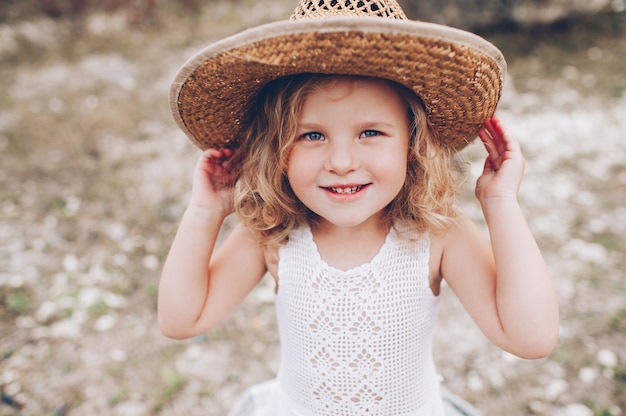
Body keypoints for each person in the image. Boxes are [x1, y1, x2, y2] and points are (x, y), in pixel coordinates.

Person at [158, 1, 560, 415]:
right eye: (312, 135)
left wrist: (500, 203)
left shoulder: (436, 232)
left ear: (413, 144)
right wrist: (204, 213)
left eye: (370, 132)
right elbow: (181, 320)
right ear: (276, 150)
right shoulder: (276, 230)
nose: (342, 161)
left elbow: (531, 337)